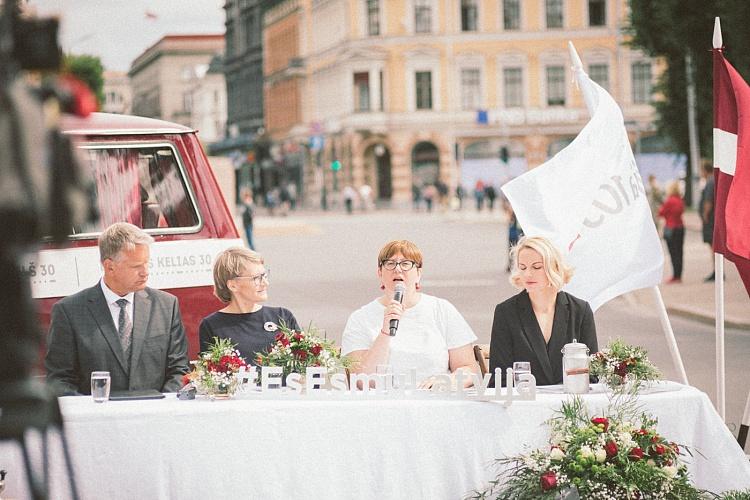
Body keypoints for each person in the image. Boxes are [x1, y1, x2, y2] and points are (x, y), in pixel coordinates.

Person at [45, 222, 189, 395]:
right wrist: (93, 410)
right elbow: (60, 379)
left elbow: (179, 370)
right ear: (109, 266)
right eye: (136, 266)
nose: (145, 272)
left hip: (154, 417)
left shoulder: (166, 306)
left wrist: (157, 408)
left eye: (146, 263)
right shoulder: (69, 312)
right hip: (97, 419)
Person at [341, 240, 478, 388]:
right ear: (380, 273)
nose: (398, 269)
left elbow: (468, 369)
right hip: (382, 405)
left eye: (406, 264)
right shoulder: (360, 318)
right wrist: (385, 332)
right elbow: (361, 381)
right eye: (390, 263)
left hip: (435, 401)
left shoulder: (442, 309)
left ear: (418, 273)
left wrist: (447, 382)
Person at [489, 236, 598, 387]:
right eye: (523, 267)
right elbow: (499, 378)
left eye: (536, 267)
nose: (527, 274)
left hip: (571, 403)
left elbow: (593, 374)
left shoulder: (580, 310)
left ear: (553, 268)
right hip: (523, 404)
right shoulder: (506, 312)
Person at [199, 247, 299, 364]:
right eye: (257, 278)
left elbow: (304, 365)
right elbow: (211, 373)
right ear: (233, 286)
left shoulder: (282, 316)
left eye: (265, 276)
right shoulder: (212, 326)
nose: (265, 283)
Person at [658, 181, 685, 284]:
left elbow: (661, 212)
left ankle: (675, 276)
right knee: (680, 252)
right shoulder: (680, 200)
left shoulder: (669, 201)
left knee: (673, 253)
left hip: (670, 228)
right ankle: (679, 275)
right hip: (680, 227)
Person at [699, 163, 716, 281]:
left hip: (710, 219)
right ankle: (717, 270)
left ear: (706, 170)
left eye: (702, 170)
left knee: (713, 245)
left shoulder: (710, 182)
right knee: (713, 245)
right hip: (711, 219)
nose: (701, 173)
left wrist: (705, 215)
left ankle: (717, 271)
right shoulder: (712, 180)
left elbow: (708, 200)